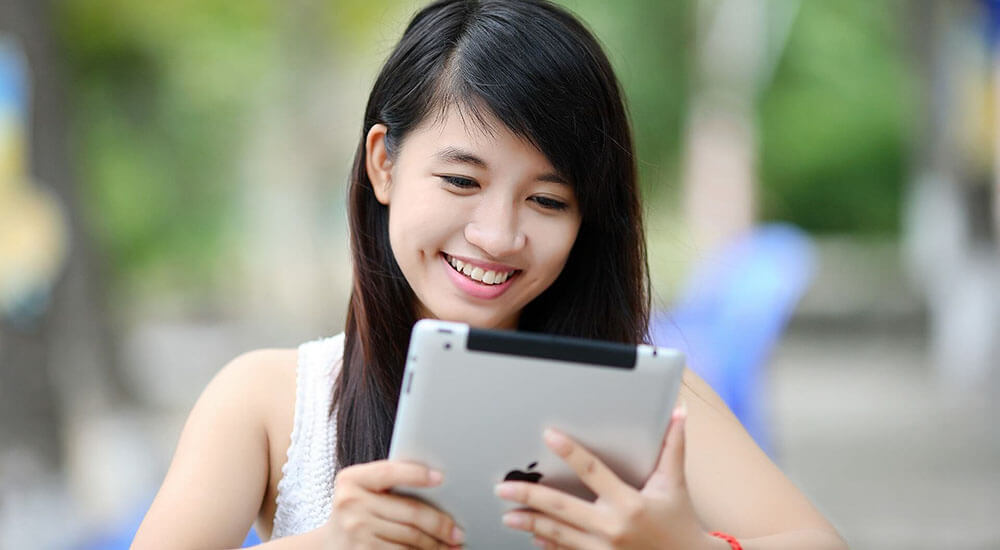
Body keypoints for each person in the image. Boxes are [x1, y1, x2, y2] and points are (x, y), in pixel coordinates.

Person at [133, 1, 848, 548]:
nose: (499, 235)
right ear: (383, 163)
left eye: (547, 200)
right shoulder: (269, 402)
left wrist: (680, 546)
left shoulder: (643, 403)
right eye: (461, 181)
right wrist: (329, 542)